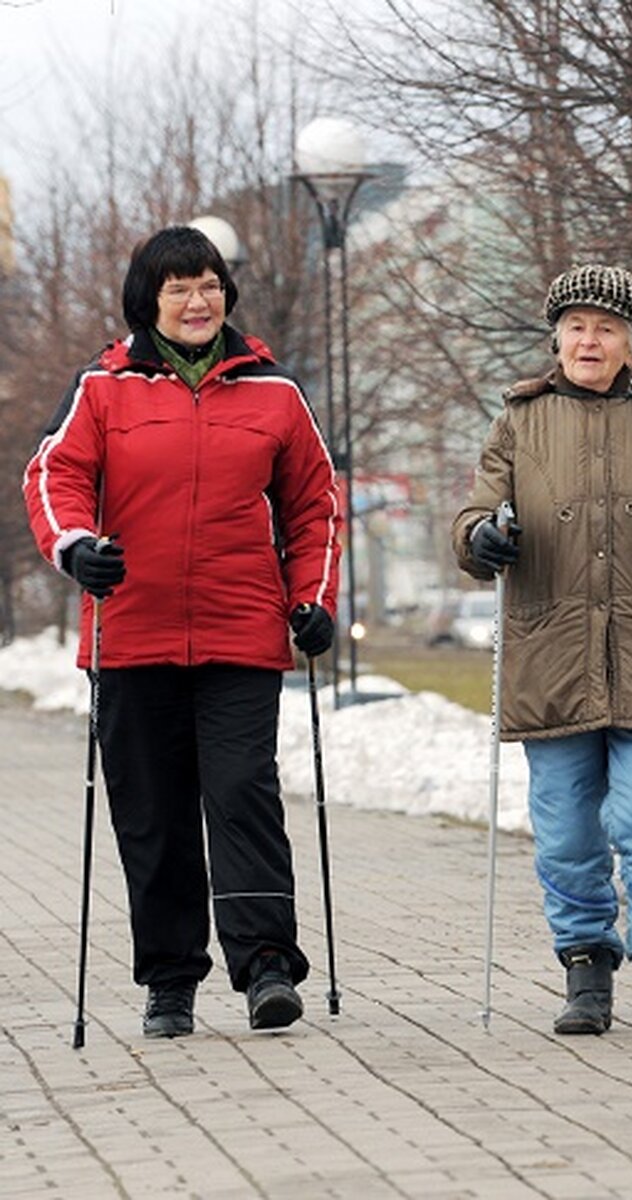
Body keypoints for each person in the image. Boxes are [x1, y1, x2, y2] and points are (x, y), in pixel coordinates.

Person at [24, 225, 342, 1037]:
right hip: (131, 632)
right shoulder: (103, 387)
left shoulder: (274, 391)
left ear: (226, 294)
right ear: (148, 301)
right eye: (178, 288)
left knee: (242, 793)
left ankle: (266, 963)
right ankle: (170, 978)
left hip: (242, 630)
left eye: (208, 284)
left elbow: (314, 505)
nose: (197, 301)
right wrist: (76, 548)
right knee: (154, 810)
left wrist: (311, 598)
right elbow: (53, 473)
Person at [452, 263, 632, 1035]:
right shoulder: (519, 423)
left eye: (605, 329)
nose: (588, 339)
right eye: (575, 326)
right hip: (553, 660)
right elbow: (473, 522)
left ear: (631, 345)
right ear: (556, 338)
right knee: (569, 828)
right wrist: (484, 537)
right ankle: (585, 971)